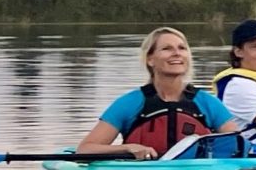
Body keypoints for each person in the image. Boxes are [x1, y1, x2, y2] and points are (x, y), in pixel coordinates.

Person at [74, 27, 244, 158]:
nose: (177, 53)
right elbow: (85, 149)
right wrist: (128, 148)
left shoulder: (207, 102)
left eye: (182, 48)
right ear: (150, 59)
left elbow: (238, 146)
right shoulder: (130, 103)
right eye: (167, 49)